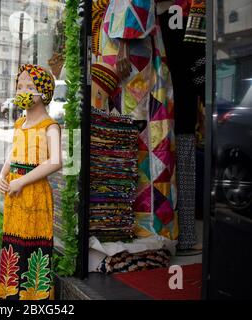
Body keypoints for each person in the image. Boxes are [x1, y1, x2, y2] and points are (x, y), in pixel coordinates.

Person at [97, 0, 177, 240]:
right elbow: (133, 8)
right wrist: (123, 43)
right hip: (132, 53)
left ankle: (129, 220)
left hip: (130, 49)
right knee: (141, 135)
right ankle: (141, 221)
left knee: (136, 135)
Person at [0, 64, 62, 300]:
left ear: (43, 93)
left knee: (34, 244)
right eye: (20, 86)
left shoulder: (50, 126)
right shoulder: (18, 124)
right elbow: (13, 153)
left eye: (30, 87)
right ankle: (11, 296)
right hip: (14, 194)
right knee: (13, 242)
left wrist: (22, 181)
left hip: (35, 194)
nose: (22, 90)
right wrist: (2, 175)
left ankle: (34, 299)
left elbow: (55, 162)